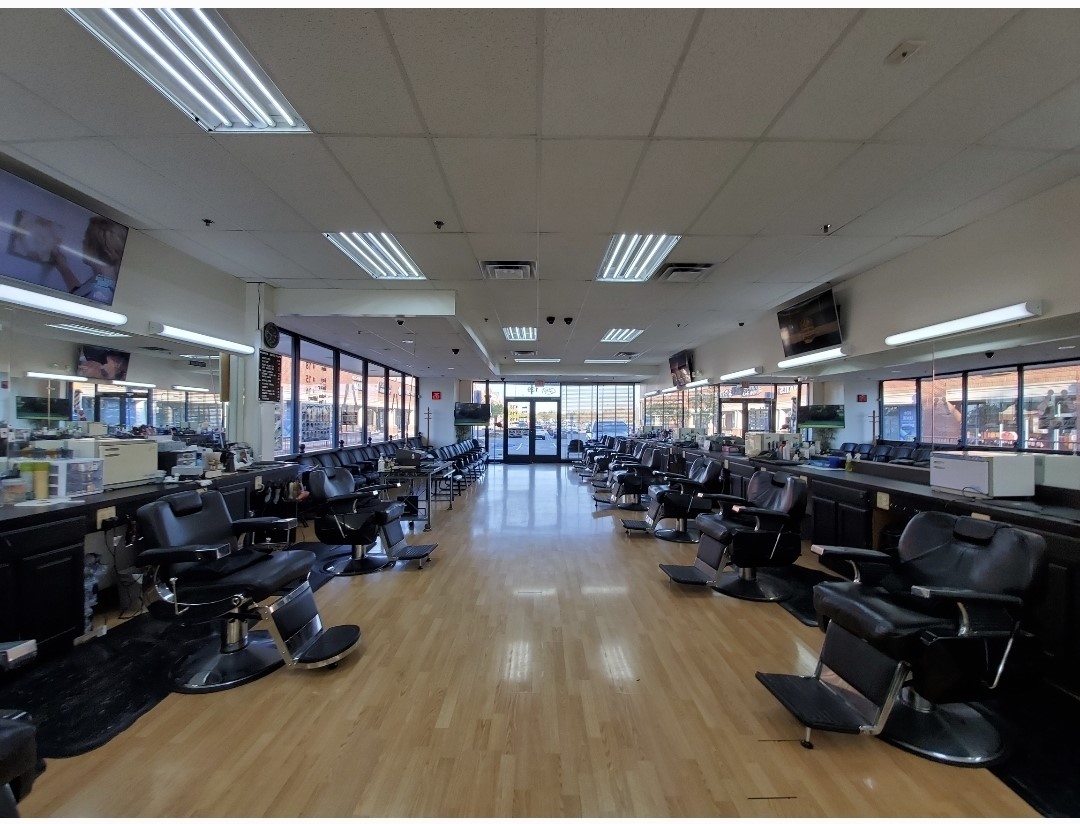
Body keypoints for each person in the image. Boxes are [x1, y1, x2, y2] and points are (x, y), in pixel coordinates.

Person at [50, 216, 127, 304]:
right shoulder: (104, 282)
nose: (83, 242)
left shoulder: (101, 295)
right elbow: (81, 295)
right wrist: (64, 269)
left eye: (86, 238)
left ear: (94, 247)